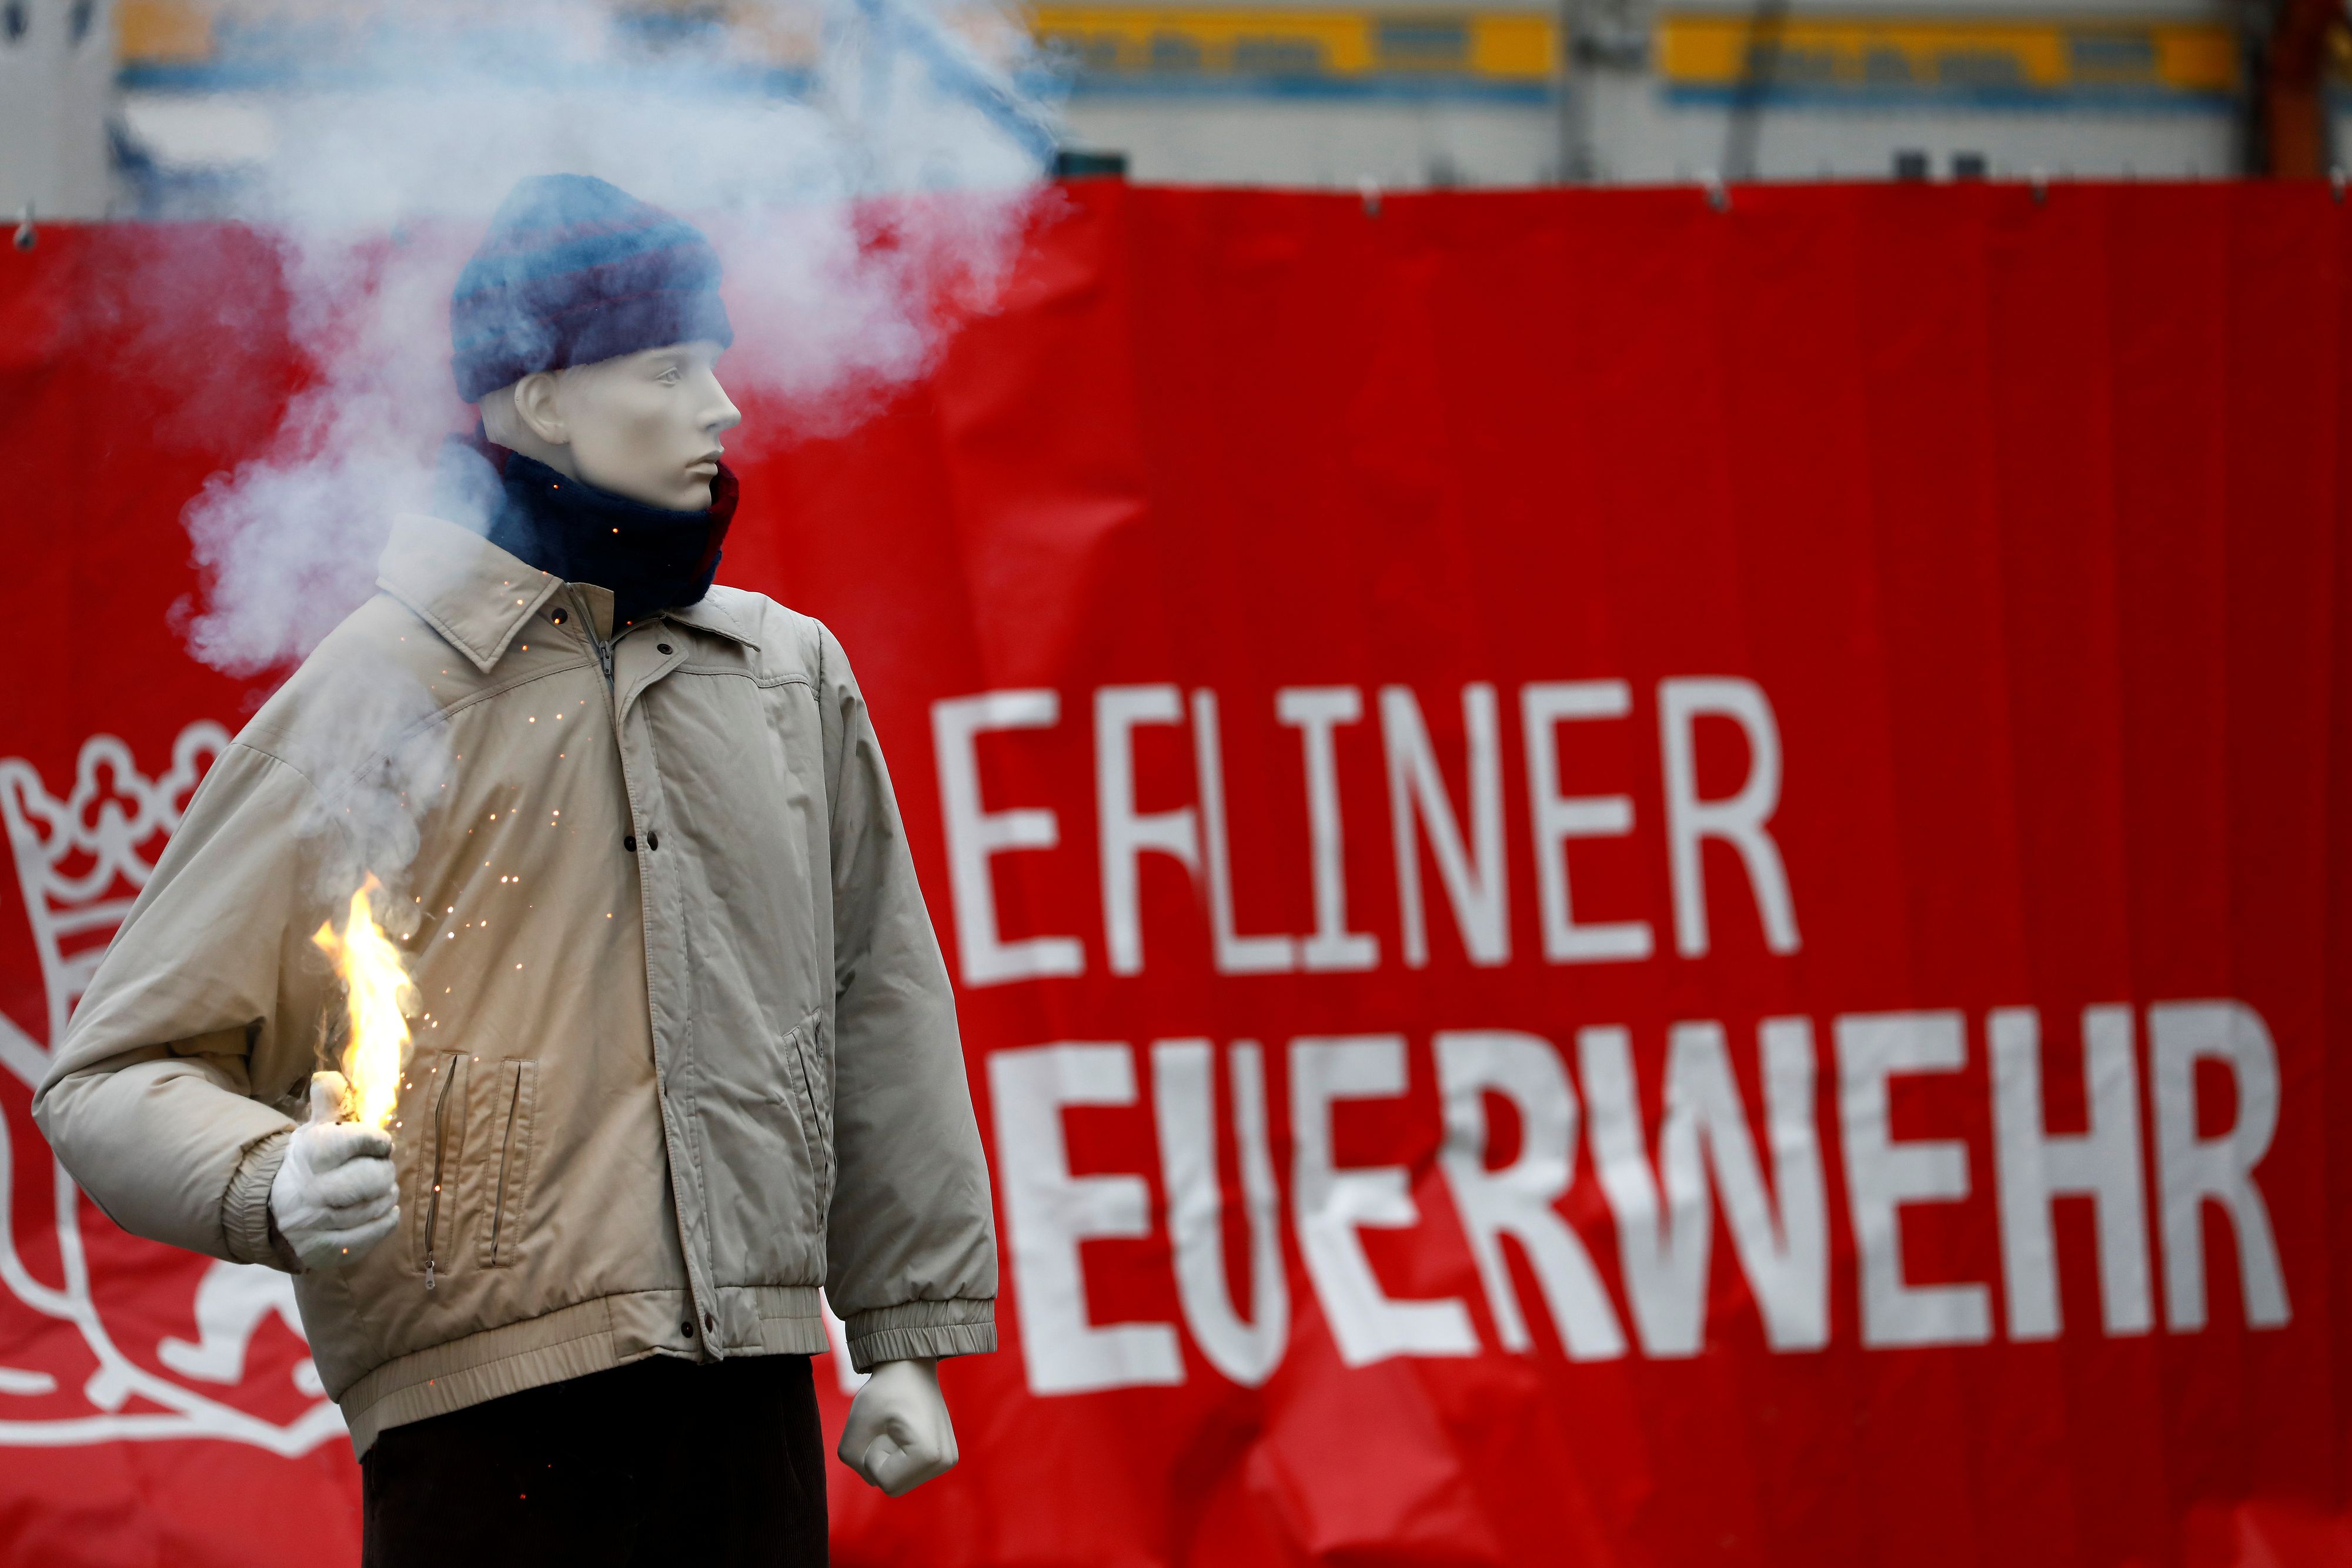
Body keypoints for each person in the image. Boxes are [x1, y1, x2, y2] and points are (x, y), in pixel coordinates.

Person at [34, 174, 995, 1567]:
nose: (722, 406)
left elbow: (878, 1001)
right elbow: (112, 1071)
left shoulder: (787, 675)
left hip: (751, 1406)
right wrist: (267, 1177)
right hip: (476, 1431)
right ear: (541, 399)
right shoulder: (378, 691)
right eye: (669, 368)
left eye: (715, 362)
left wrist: (904, 1334)